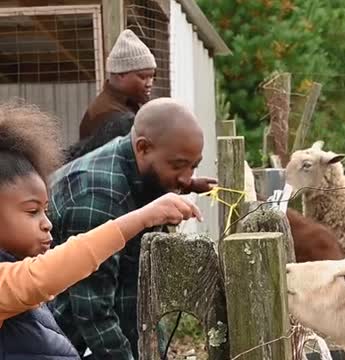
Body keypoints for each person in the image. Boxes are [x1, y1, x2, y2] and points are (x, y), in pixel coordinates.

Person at [0, 101, 202, 359]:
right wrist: (141, 218)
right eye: (32, 211)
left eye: (45, 210)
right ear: (142, 147)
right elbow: (49, 275)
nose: (47, 223)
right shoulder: (96, 193)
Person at [79, 29, 156, 140]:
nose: (149, 83)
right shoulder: (111, 116)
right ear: (121, 74)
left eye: (152, 76)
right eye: (143, 77)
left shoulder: (125, 105)